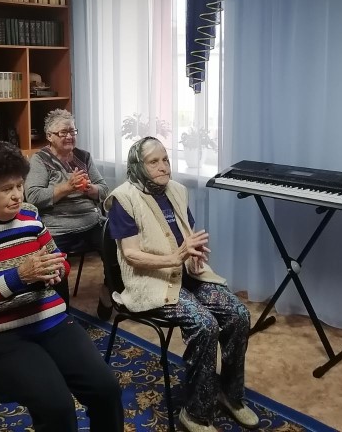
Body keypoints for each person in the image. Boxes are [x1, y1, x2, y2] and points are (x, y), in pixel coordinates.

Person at [0, 141, 123, 432]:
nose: (17, 195)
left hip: (49, 322)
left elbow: (59, 261)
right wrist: (19, 277)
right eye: (6, 189)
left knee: (106, 389)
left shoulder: (29, 215)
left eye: (19, 185)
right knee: (57, 406)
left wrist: (55, 271)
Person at [104, 137, 259, 432]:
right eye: (154, 162)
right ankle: (195, 413)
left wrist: (194, 255)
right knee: (205, 324)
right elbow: (131, 255)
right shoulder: (123, 199)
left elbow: (187, 235)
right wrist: (176, 257)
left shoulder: (177, 190)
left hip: (186, 274)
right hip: (150, 281)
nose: (164, 166)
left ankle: (229, 393)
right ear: (138, 166)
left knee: (239, 314)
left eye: (165, 159)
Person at [24, 108, 113, 317]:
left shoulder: (83, 157)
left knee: (117, 245)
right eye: (63, 132)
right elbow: (33, 197)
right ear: (49, 136)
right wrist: (67, 187)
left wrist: (90, 189)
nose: (69, 136)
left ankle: (108, 292)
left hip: (91, 222)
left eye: (72, 131)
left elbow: (104, 189)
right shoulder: (40, 160)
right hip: (57, 228)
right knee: (54, 265)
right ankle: (61, 313)